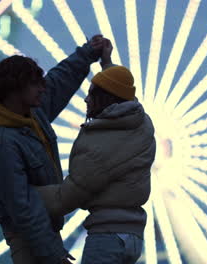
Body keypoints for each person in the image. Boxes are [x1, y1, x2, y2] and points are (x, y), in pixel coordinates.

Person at [0, 35, 105, 264]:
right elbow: (22, 209)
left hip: (46, 232)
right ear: (16, 89)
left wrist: (88, 53)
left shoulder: (31, 114)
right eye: (35, 84)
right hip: (29, 239)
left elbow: (59, 82)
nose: (42, 87)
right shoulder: (1, 143)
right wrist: (53, 255)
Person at [34, 39, 156, 264]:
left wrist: (27, 193)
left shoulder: (100, 146)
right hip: (133, 236)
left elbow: (67, 197)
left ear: (105, 100)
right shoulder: (140, 123)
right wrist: (106, 63)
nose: (86, 99)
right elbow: (122, 92)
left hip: (107, 237)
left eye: (92, 94)